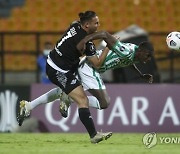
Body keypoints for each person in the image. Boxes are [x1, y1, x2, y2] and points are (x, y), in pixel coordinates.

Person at [17, 10, 112, 144]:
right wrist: (108, 46)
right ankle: (94, 135)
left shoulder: (75, 25)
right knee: (82, 101)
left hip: (59, 63)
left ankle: (28, 106)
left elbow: (73, 24)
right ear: (86, 25)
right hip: (58, 70)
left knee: (65, 92)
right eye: (96, 23)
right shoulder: (87, 44)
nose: (98, 25)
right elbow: (97, 64)